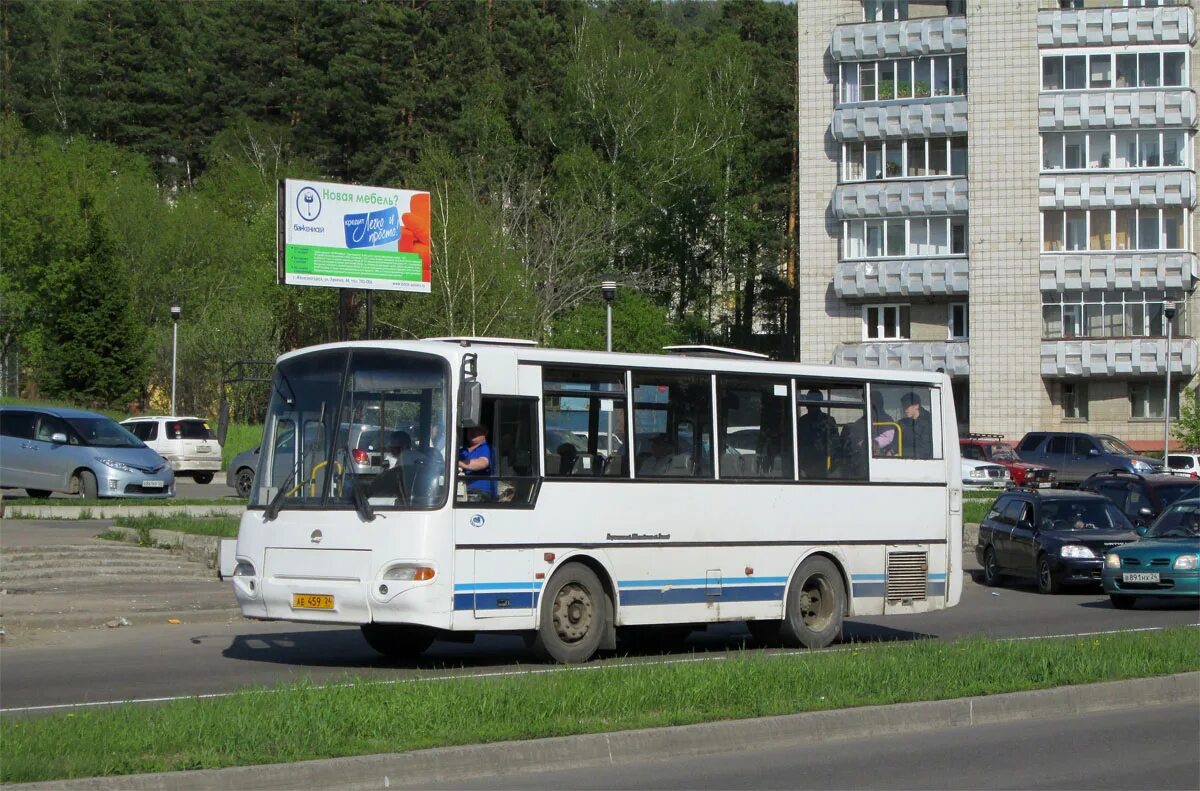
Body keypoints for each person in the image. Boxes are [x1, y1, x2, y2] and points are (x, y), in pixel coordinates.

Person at [796, 390, 839, 478]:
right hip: (805, 465)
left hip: (821, 463)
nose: (808, 406)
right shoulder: (802, 421)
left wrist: (832, 467)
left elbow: (835, 445)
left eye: (811, 403)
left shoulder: (828, 421)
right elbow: (797, 444)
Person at [457, 424, 495, 499]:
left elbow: (483, 463)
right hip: (459, 490)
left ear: (485, 432)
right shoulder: (462, 450)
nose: (472, 432)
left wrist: (459, 463)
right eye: (470, 429)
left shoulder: (487, 448)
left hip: (480, 493)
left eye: (477, 429)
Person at [897, 391, 933, 459]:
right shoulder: (902, 423)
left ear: (916, 406)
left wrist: (900, 453)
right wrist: (891, 451)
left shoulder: (928, 422)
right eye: (903, 407)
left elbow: (925, 450)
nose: (905, 410)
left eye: (907, 407)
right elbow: (896, 443)